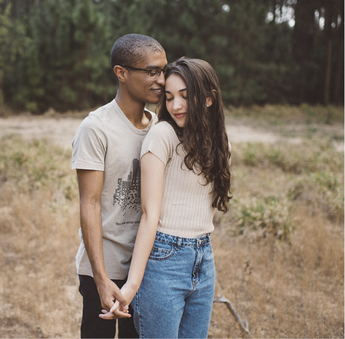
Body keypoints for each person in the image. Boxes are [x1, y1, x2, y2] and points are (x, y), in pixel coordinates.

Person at [100, 57, 232, 338]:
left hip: (204, 259)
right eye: (170, 97)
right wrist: (132, 286)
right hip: (164, 259)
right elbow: (150, 215)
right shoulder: (163, 135)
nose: (176, 106)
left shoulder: (217, 140)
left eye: (185, 96)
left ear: (209, 99)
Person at [71, 33, 166, 338]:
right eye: (152, 71)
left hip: (147, 266)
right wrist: (100, 278)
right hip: (104, 267)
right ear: (121, 73)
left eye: (163, 71)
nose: (161, 80)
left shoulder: (160, 128)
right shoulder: (96, 128)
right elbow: (90, 203)